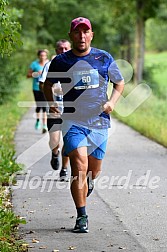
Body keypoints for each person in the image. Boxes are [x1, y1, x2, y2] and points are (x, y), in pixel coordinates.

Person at [43, 17, 124, 233]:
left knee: (93, 171)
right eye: (77, 32)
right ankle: (82, 216)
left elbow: (119, 82)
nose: (81, 36)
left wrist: (111, 102)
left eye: (85, 31)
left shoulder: (103, 58)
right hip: (73, 120)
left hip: (99, 121)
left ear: (91, 34)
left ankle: (90, 182)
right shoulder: (61, 61)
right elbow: (48, 84)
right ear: (71, 35)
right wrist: (52, 104)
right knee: (79, 166)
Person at [39, 40, 71, 180]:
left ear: (70, 49)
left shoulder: (75, 65)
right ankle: (55, 153)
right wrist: (52, 93)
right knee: (55, 140)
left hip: (71, 110)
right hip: (55, 109)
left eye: (66, 48)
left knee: (69, 141)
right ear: (56, 50)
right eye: (60, 49)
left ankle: (64, 169)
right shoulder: (49, 65)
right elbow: (42, 84)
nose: (63, 51)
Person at [27, 49, 49, 133]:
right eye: (41, 55)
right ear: (38, 56)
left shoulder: (48, 64)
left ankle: (44, 125)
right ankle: (38, 121)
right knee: (39, 106)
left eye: (44, 55)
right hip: (36, 88)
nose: (43, 57)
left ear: (46, 56)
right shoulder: (34, 64)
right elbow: (28, 75)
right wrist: (36, 74)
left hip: (45, 88)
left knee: (44, 106)